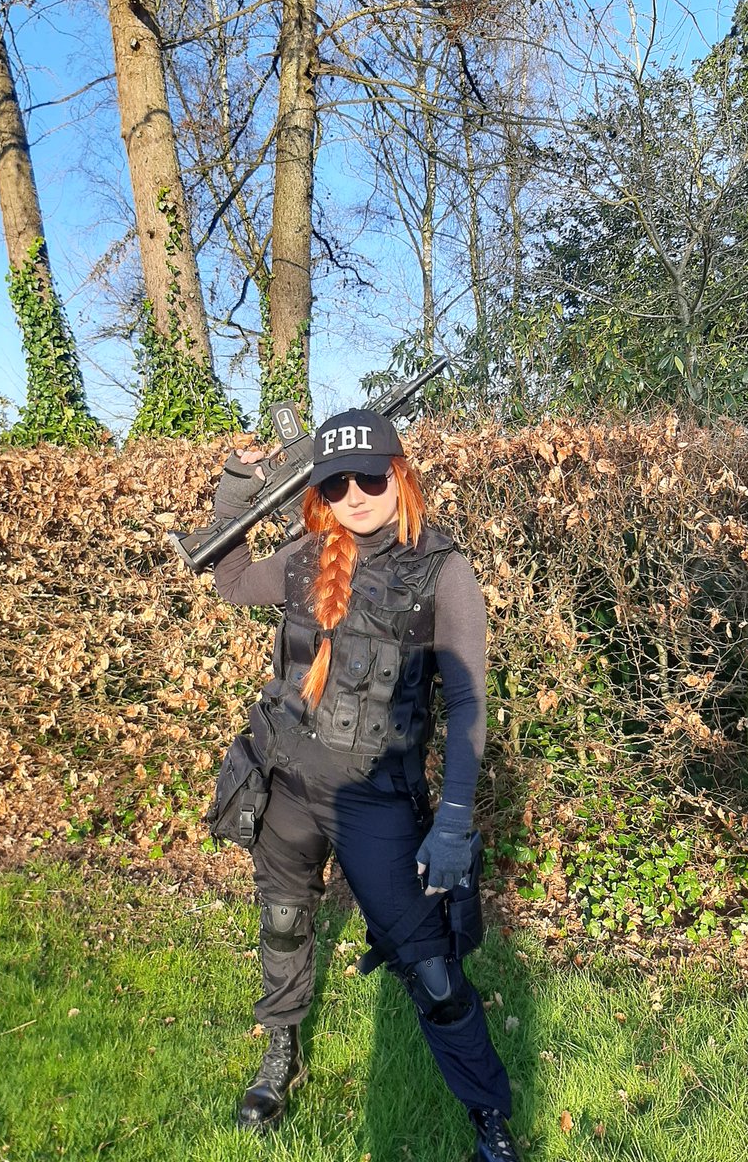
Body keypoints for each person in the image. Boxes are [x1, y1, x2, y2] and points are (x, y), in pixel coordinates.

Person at [210, 407, 520, 1162]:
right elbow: (229, 581)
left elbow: (468, 703)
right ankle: (280, 1053)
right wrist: (234, 495)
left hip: (376, 802)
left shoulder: (443, 571)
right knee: (284, 921)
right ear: (320, 489)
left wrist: (452, 819)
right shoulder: (308, 558)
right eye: (336, 483)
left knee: (433, 970)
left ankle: (489, 1116)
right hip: (285, 783)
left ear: (400, 477)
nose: (354, 495)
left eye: (370, 479)